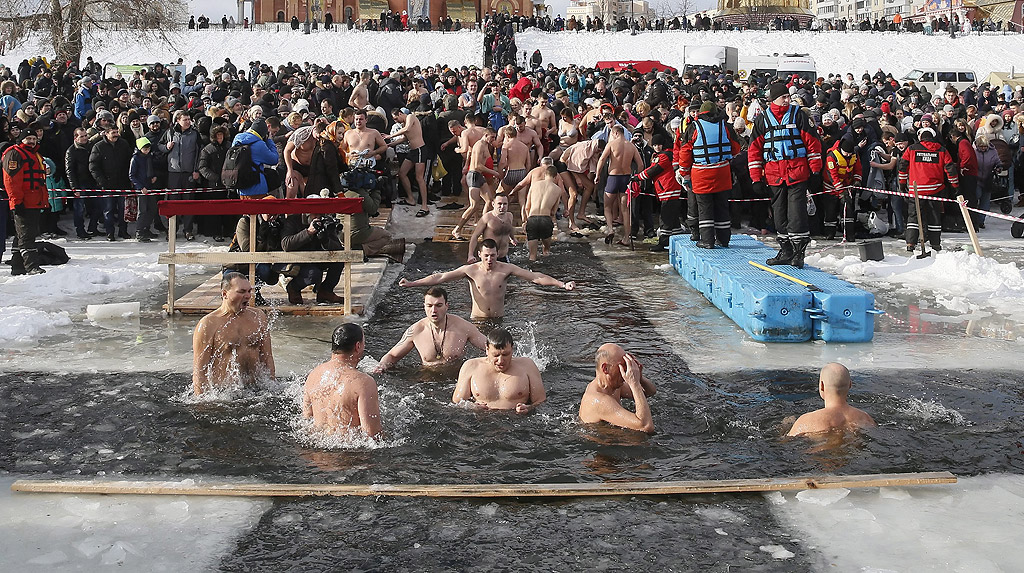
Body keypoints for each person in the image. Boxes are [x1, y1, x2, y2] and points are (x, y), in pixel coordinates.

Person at [399, 237, 575, 319]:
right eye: (486, 256)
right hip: (478, 321)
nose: (489, 259)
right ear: (479, 254)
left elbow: (535, 277)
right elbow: (441, 277)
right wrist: (413, 283)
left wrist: (561, 284)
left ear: (497, 254)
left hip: (499, 319)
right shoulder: (471, 270)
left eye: (492, 255)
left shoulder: (506, 269)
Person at [748, 82, 822, 269]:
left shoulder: (799, 115)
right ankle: (786, 250)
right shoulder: (762, 120)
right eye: (784, 97)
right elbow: (754, 151)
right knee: (779, 216)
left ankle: (798, 253)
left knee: (797, 215)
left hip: (797, 172)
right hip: (774, 175)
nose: (788, 100)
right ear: (774, 99)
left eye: (788, 97)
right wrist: (756, 178)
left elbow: (813, 144)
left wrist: (815, 170)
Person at [192, 272, 275, 395]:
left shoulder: (258, 317)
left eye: (249, 291)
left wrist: (272, 388)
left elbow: (267, 357)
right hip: (224, 394)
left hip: (258, 389)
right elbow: (200, 370)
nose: (247, 296)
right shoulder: (208, 324)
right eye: (241, 292)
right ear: (225, 294)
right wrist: (201, 401)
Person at [675, 101, 741, 249]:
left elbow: (685, 152)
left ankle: (707, 241)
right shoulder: (725, 126)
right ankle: (723, 240)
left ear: (700, 113)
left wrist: (684, 173)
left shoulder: (694, 127)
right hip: (723, 171)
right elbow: (736, 148)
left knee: (704, 208)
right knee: (722, 207)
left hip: (701, 173)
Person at [375, 286, 487, 371]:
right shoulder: (416, 330)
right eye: (429, 306)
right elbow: (392, 355)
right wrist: (381, 366)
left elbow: (490, 347)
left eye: (438, 305)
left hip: (456, 378)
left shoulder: (463, 327)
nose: (433, 310)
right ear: (424, 306)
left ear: (447, 306)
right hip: (427, 380)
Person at [302, 323, 382, 438]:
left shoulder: (314, 375)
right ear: (358, 346)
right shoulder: (363, 382)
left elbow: (307, 419)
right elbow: (372, 434)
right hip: (350, 454)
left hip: (316, 454)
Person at [452, 328, 545, 413]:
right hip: (483, 421)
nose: (500, 361)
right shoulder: (471, 366)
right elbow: (457, 402)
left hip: (516, 421)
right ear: (487, 350)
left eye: (505, 354)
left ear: (512, 349)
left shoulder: (527, 366)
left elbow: (540, 400)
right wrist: (472, 407)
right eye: (495, 355)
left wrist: (528, 408)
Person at [898, 127, 959, 252]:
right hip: (935, 190)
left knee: (913, 217)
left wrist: (902, 184)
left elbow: (902, 167)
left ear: (921, 137)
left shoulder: (911, 149)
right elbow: (950, 170)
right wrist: (955, 187)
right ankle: (935, 243)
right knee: (934, 217)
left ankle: (910, 243)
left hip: (916, 189)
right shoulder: (942, 150)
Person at [578, 343, 656, 433]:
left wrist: (640, 378)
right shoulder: (599, 400)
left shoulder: (614, 386)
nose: (626, 371)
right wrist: (634, 383)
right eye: (622, 366)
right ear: (605, 368)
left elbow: (649, 392)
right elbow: (646, 426)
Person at [3, 128, 48, 275]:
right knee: (27, 236)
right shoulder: (15, 154)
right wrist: (16, 202)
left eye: (34, 139)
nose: (32, 141)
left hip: (35, 201)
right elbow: (11, 181)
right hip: (24, 202)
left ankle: (17, 266)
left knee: (22, 234)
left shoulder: (35, 154)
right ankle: (31, 266)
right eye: (28, 139)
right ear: (21, 140)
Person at [787, 362, 876, 436]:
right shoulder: (866, 418)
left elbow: (786, 443)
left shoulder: (806, 421)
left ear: (822, 386)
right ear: (850, 385)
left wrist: (784, 426)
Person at [594, 124, 643, 245]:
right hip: (626, 178)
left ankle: (610, 229)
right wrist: (638, 178)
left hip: (613, 178)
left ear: (615, 133)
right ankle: (626, 238)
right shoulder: (631, 146)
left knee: (607, 206)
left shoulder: (611, 144)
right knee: (625, 209)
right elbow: (640, 164)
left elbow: (602, 159)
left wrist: (597, 175)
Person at [523, 165, 564, 261]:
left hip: (532, 219)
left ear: (545, 175)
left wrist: (527, 221)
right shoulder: (558, 190)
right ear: (556, 176)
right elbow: (553, 212)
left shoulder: (534, 185)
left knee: (532, 256)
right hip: (546, 219)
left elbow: (527, 207)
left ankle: (532, 273)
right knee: (546, 251)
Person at [467, 192, 516, 263]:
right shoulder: (487, 218)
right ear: (493, 204)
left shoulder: (509, 216)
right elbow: (475, 236)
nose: (502, 207)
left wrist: (513, 238)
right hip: (489, 258)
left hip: (503, 256)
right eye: (499, 204)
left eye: (505, 204)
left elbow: (509, 228)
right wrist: (470, 255)